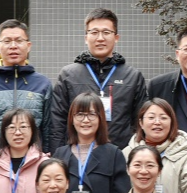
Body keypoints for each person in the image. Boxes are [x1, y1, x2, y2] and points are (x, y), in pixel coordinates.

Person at [48, 8, 147, 151]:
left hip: (120, 154)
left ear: (116, 37)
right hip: (77, 155)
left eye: (106, 32)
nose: (100, 38)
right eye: (94, 32)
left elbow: (140, 122)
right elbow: (57, 121)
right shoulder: (68, 75)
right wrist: (58, 156)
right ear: (86, 38)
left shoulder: (132, 76)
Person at [0, 20, 53, 153]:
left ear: (28, 46)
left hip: (32, 160)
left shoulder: (43, 84)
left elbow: (48, 130)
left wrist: (46, 159)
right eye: (7, 41)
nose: (13, 46)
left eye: (19, 41)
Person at [52, 94, 130, 193]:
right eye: (80, 114)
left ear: (100, 118)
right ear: (72, 119)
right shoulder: (60, 154)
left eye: (92, 114)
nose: (85, 120)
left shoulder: (114, 154)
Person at [0, 108, 46, 193]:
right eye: (12, 128)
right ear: (4, 132)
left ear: (32, 131)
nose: (18, 132)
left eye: (23, 127)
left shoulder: (44, 164)